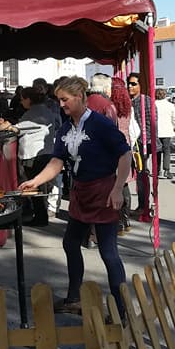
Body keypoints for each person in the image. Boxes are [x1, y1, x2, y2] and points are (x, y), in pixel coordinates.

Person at [19, 76, 132, 316]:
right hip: (81, 192)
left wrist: (117, 188)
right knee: (70, 243)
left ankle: (122, 309)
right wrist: (36, 181)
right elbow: (57, 161)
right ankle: (73, 297)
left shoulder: (100, 124)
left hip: (103, 191)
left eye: (65, 99)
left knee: (108, 251)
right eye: (59, 100)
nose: (61, 104)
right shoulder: (65, 128)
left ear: (80, 97)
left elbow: (125, 155)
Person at [16, 86, 60, 226]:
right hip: (44, 152)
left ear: (29, 99)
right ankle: (40, 215)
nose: (21, 102)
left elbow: (18, 128)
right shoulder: (46, 110)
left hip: (33, 154)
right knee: (40, 187)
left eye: (22, 99)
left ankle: (40, 217)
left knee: (34, 187)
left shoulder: (35, 113)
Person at [110, 76, 136, 233]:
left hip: (114, 148)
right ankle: (126, 220)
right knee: (124, 185)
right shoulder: (128, 107)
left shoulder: (111, 107)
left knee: (116, 185)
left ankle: (118, 221)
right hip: (127, 146)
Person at [127, 72, 154, 220]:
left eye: (133, 84)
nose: (130, 86)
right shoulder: (129, 101)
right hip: (132, 143)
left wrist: (142, 143)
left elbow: (151, 125)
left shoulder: (146, 101)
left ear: (140, 85)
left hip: (142, 144)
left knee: (142, 175)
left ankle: (144, 205)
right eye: (129, 84)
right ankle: (140, 205)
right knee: (137, 176)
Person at [153, 87, 175, 180]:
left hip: (156, 131)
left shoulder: (153, 105)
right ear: (165, 95)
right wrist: (173, 125)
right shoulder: (170, 105)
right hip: (167, 131)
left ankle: (157, 170)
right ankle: (166, 170)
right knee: (167, 151)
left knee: (157, 152)